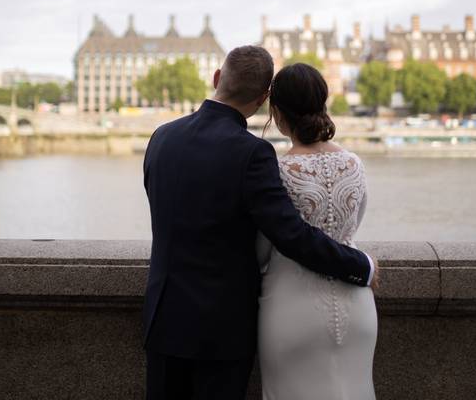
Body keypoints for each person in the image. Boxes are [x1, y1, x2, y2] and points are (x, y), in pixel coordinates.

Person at [142, 46, 376, 400]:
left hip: (163, 320)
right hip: (221, 330)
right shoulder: (253, 153)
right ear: (264, 98)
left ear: (217, 78)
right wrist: (362, 266)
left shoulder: (161, 137)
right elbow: (290, 235)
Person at [257, 62, 377, 399]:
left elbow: (263, 249)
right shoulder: (354, 164)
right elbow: (354, 225)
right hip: (357, 306)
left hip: (291, 305)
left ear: (277, 113)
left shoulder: (277, 170)